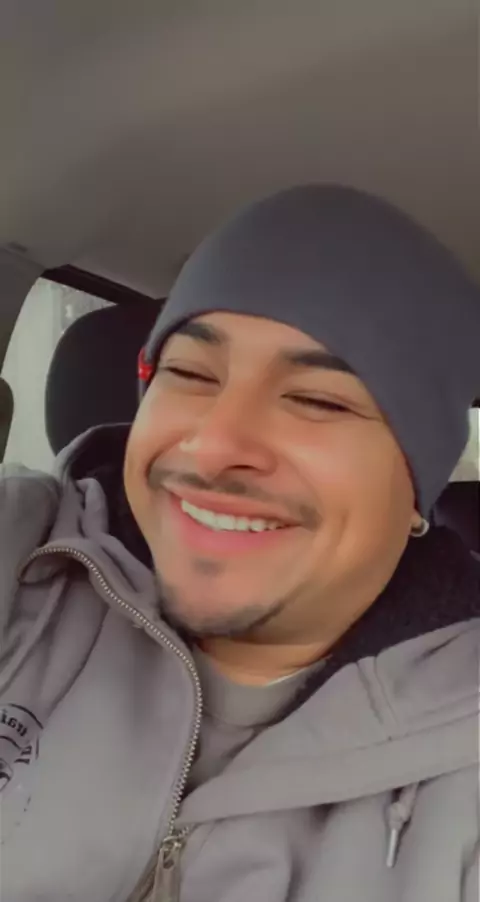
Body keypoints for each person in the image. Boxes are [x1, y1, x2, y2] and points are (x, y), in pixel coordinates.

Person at [1, 185, 479, 902]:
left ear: (417, 485)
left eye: (317, 400)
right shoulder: (23, 550)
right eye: (190, 374)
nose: (215, 445)